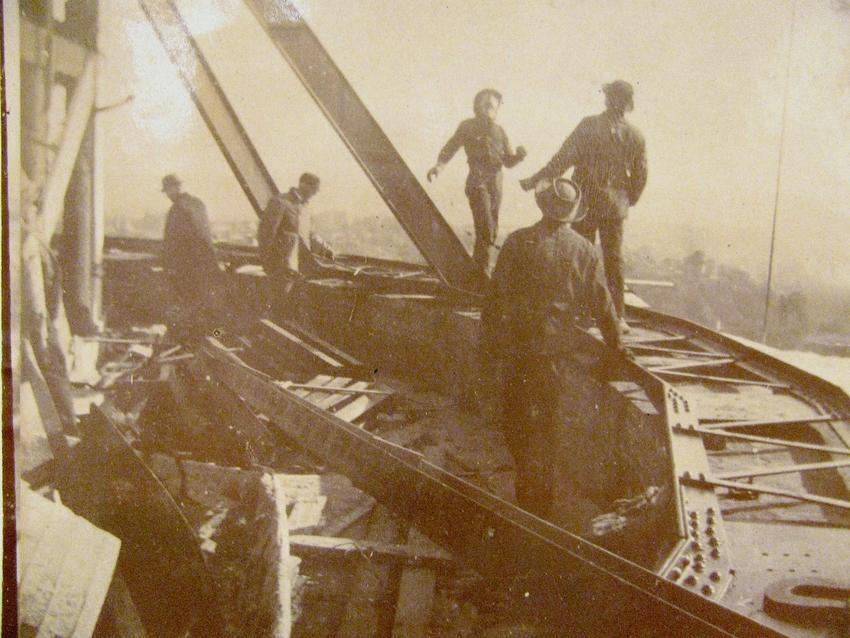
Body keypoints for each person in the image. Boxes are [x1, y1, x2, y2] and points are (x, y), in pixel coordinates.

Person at [481, 177, 627, 519]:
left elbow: (494, 301)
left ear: (543, 206)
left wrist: (488, 349)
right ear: (571, 214)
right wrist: (617, 349)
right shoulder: (585, 252)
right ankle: (539, 506)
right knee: (545, 428)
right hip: (556, 356)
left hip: (518, 352)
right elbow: (605, 307)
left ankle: (527, 498)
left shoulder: (518, 242)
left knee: (515, 423)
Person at [520, 80, 647, 333]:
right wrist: (626, 200)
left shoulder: (589, 126)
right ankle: (618, 316)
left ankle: (580, 314)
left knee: (580, 257)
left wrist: (537, 179)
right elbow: (641, 176)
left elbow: (563, 157)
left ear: (607, 99)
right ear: (628, 104)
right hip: (615, 207)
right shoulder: (635, 135)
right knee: (614, 259)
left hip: (585, 202)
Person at [427, 89, 527, 274]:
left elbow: (508, 161)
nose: (489, 108)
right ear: (477, 106)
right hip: (477, 179)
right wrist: (438, 167)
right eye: (485, 104)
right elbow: (451, 147)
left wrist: (519, 157)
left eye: (493, 105)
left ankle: (479, 271)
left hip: (496, 182)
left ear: (497, 110)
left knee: (491, 230)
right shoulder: (467, 126)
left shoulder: (500, 131)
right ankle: (482, 273)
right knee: (486, 227)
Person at [161, 173, 225, 339]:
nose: (168, 195)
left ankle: (191, 341)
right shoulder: (198, 204)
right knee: (206, 306)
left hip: (187, 269)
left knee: (188, 307)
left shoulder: (177, 209)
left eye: (167, 190)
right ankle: (215, 337)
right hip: (206, 265)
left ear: (173, 189)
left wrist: (171, 268)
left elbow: (172, 243)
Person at [257, 172, 322, 316]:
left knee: (291, 308)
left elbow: (310, 233)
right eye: (314, 189)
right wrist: (268, 262)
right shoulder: (280, 202)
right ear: (303, 185)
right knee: (279, 304)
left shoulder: (306, 208)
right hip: (282, 265)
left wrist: (326, 248)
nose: (315, 193)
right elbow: (266, 234)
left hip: (301, 266)